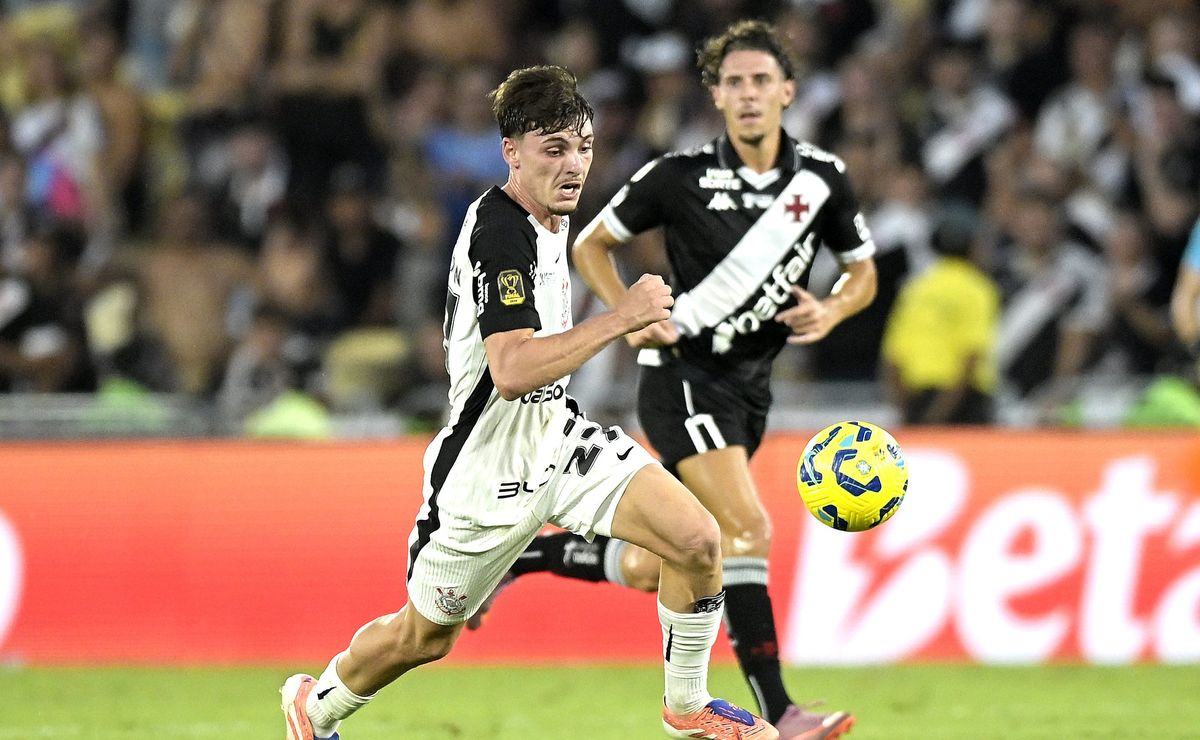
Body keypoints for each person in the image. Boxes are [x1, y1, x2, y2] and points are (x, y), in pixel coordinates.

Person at [280, 65, 777, 740]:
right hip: (486, 472)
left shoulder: (551, 225)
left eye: (583, 146)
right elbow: (510, 369)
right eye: (554, 149)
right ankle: (314, 710)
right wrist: (621, 315)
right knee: (423, 638)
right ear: (512, 152)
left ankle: (687, 707)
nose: (574, 165)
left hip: (558, 440)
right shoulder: (500, 231)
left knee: (696, 541)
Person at [474, 21, 874, 740]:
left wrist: (835, 304)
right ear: (716, 95)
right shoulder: (679, 176)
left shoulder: (822, 180)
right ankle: (781, 713)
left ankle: (534, 550)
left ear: (788, 91)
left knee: (679, 559)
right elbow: (594, 242)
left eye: (762, 81)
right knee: (747, 528)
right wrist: (631, 315)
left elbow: (863, 269)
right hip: (682, 376)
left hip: (751, 388)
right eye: (735, 83)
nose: (749, 95)